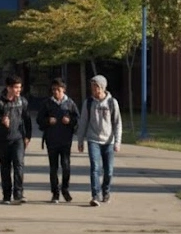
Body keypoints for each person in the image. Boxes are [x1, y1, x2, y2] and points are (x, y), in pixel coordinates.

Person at [76, 74, 122, 206]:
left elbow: (117, 123)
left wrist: (117, 142)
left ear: (101, 87)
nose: (93, 89)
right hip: (93, 139)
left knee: (109, 171)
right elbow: (83, 122)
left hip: (108, 141)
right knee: (95, 168)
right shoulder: (88, 103)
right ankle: (95, 195)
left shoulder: (112, 103)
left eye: (95, 87)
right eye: (91, 87)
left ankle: (106, 190)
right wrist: (80, 141)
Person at [0, 74, 32, 204]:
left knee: (19, 165)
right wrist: (1, 120)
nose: (18, 90)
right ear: (8, 88)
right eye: (16, 87)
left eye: (19, 87)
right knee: (5, 167)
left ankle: (18, 193)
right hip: (2, 139)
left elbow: (27, 120)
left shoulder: (22, 101)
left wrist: (28, 136)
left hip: (18, 138)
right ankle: (6, 195)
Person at [36, 77, 80, 203]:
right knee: (53, 168)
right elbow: (39, 120)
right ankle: (55, 192)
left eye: (58, 89)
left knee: (66, 166)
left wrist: (70, 121)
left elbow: (77, 120)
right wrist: (47, 121)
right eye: (53, 89)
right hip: (52, 140)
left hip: (65, 140)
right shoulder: (47, 103)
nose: (55, 92)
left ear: (64, 90)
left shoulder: (70, 103)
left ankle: (65, 189)